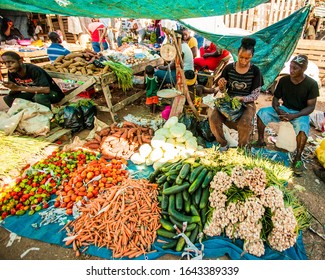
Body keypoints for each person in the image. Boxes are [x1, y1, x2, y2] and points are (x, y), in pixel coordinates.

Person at [256, 55, 319, 175]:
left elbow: (311, 107)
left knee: (303, 129)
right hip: (284, 109)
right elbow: (275, 99)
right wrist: (278, 109)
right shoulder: (284, 80)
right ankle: (260, 140)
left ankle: (298, 157)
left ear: (303, 69)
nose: (291, 70)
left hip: (300, 113)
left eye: (295, 68)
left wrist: (294, 116)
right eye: (291, 67)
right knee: (261, 113)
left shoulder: (311, 84)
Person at [208, 37, 263, 151]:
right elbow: (223, 90)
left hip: (247, 102)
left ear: (252, 56)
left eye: (247, 58)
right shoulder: (229, 68)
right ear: (237, 53)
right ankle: (223, 144)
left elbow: (255, 95)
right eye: (241, 57)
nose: (243, 61)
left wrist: (242, 98)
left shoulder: (255, 71)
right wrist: (222, 87)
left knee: (245, 123)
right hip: (229, 101)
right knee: (214, 118)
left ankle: (242, 148)